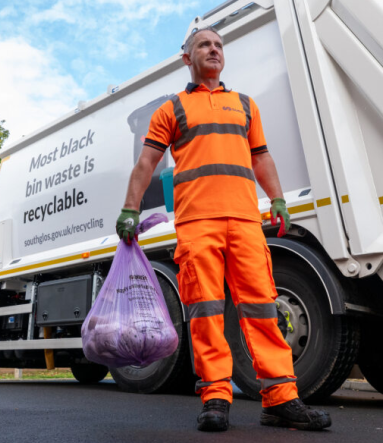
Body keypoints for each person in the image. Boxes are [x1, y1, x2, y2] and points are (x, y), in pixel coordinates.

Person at [116, 27, 331, 432]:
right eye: (204, 45)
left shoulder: (245, 105)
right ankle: (215, 397)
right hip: (198, 223)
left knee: (263, 309)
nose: (213, 50)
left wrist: (279, 200)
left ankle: (281, 399)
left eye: (218, 45)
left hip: (246, 221)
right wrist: (130, 209)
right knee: (206, 311)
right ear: (187, 58)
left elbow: (261, 158)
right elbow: (146, 164)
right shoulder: (173, 109)